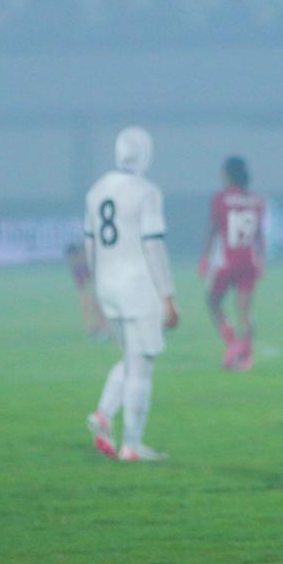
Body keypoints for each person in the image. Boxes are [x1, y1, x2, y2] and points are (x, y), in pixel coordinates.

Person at [83, 126, 179, 461]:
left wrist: (96, 289)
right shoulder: (146, 192)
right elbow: (153, 246)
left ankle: (104, 415)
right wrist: (167, 295)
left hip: (108, 284)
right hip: (138, 285)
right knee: (142, 366)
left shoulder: (96, 191)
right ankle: (132, 444)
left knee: (130, 359)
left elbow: (89, 243)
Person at [198, 156, 265, 371]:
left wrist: (205, 256)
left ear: (228, 175)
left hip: (227, 261)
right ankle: (246, 358)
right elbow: (260, 234)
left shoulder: (221, 199)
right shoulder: (256, 200)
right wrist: (261, 259)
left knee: (214, 302)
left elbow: (214, 229)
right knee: (245, 311)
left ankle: (233, 344)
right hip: (249, 261)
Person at [64, 242, 109, 339]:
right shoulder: (76, 269)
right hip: (94, 283)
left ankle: (103, 328)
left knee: (97, 304)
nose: (70, 261)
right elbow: (82, 291)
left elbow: (97, 283)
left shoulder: (91, 262)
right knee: (87, 303)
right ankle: (93, 328)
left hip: (102, 281)